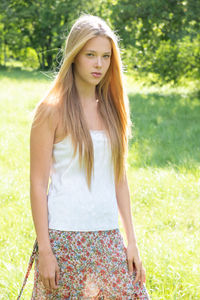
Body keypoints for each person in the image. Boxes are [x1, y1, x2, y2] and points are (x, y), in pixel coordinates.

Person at [29, 14, 150, 299]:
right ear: (74, 56)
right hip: (64, 239)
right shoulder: (50, 111)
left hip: (108, 237)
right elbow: (37, 184)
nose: (99, 64)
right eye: (91, 55)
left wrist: (131, 241)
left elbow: (120, 179)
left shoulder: (113, 110)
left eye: (106, 56)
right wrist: (45, 251)